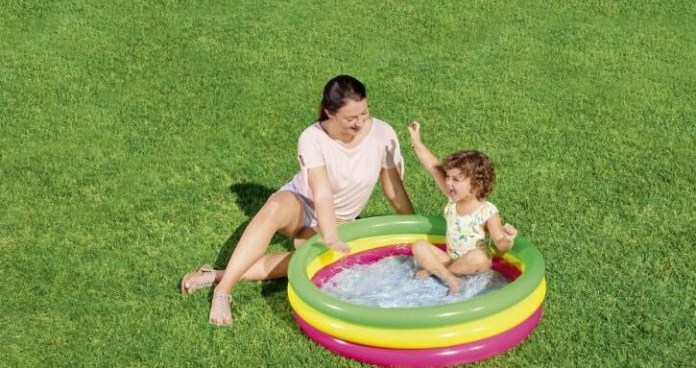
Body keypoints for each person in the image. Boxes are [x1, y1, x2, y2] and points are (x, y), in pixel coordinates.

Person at [182, 75, 415, 325]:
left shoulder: (382, 134)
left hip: (340, 220)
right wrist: (329, 234)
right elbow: (321, 192)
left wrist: (416, 231)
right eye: (350, 118)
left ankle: (215, 275)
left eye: (364, 113)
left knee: (303, 263)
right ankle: (223, 291)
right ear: (329, 113)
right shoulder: (313, 137)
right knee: (273, 208)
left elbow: (394, 190)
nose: (360, 122)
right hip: (302, 204)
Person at [407, 121, 517, 294]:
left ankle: (437, 272)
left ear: (476, 185)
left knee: (478, 257)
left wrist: (508, 240)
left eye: (455, 179)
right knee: (419, 246)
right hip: (452, 260)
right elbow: (434, 168)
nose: (448, 183)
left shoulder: (487, 212)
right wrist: (417, 141)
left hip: (474, 266)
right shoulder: (453, 200)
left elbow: (499, 244)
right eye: (448, 177)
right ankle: (451, 278)